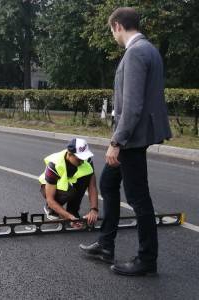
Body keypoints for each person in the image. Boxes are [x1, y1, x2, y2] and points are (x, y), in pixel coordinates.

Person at [79, 7, 172, 276]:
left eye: (111, 31)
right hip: (136, 135)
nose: (113, 37)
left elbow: (131, 107)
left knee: (138, 198)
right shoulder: (149, 49)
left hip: (131, 138)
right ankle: (106, 245)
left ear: (118, 26)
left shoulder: (135, 53)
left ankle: (146, 259)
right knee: (108, 182)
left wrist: (116, 141)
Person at [39, 138, 99, 226]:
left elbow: (92, 187)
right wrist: (67, 217)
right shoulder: (54, 164)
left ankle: (73, 211)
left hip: (70, 183)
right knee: (69, 192)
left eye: (84, 158)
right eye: (79, 159)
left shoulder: (87, 161)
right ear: (70, 154)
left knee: (84, 180)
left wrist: (94, 210)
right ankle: (51, 210)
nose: (82, 162)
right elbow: (50, 199)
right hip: (49, 188)